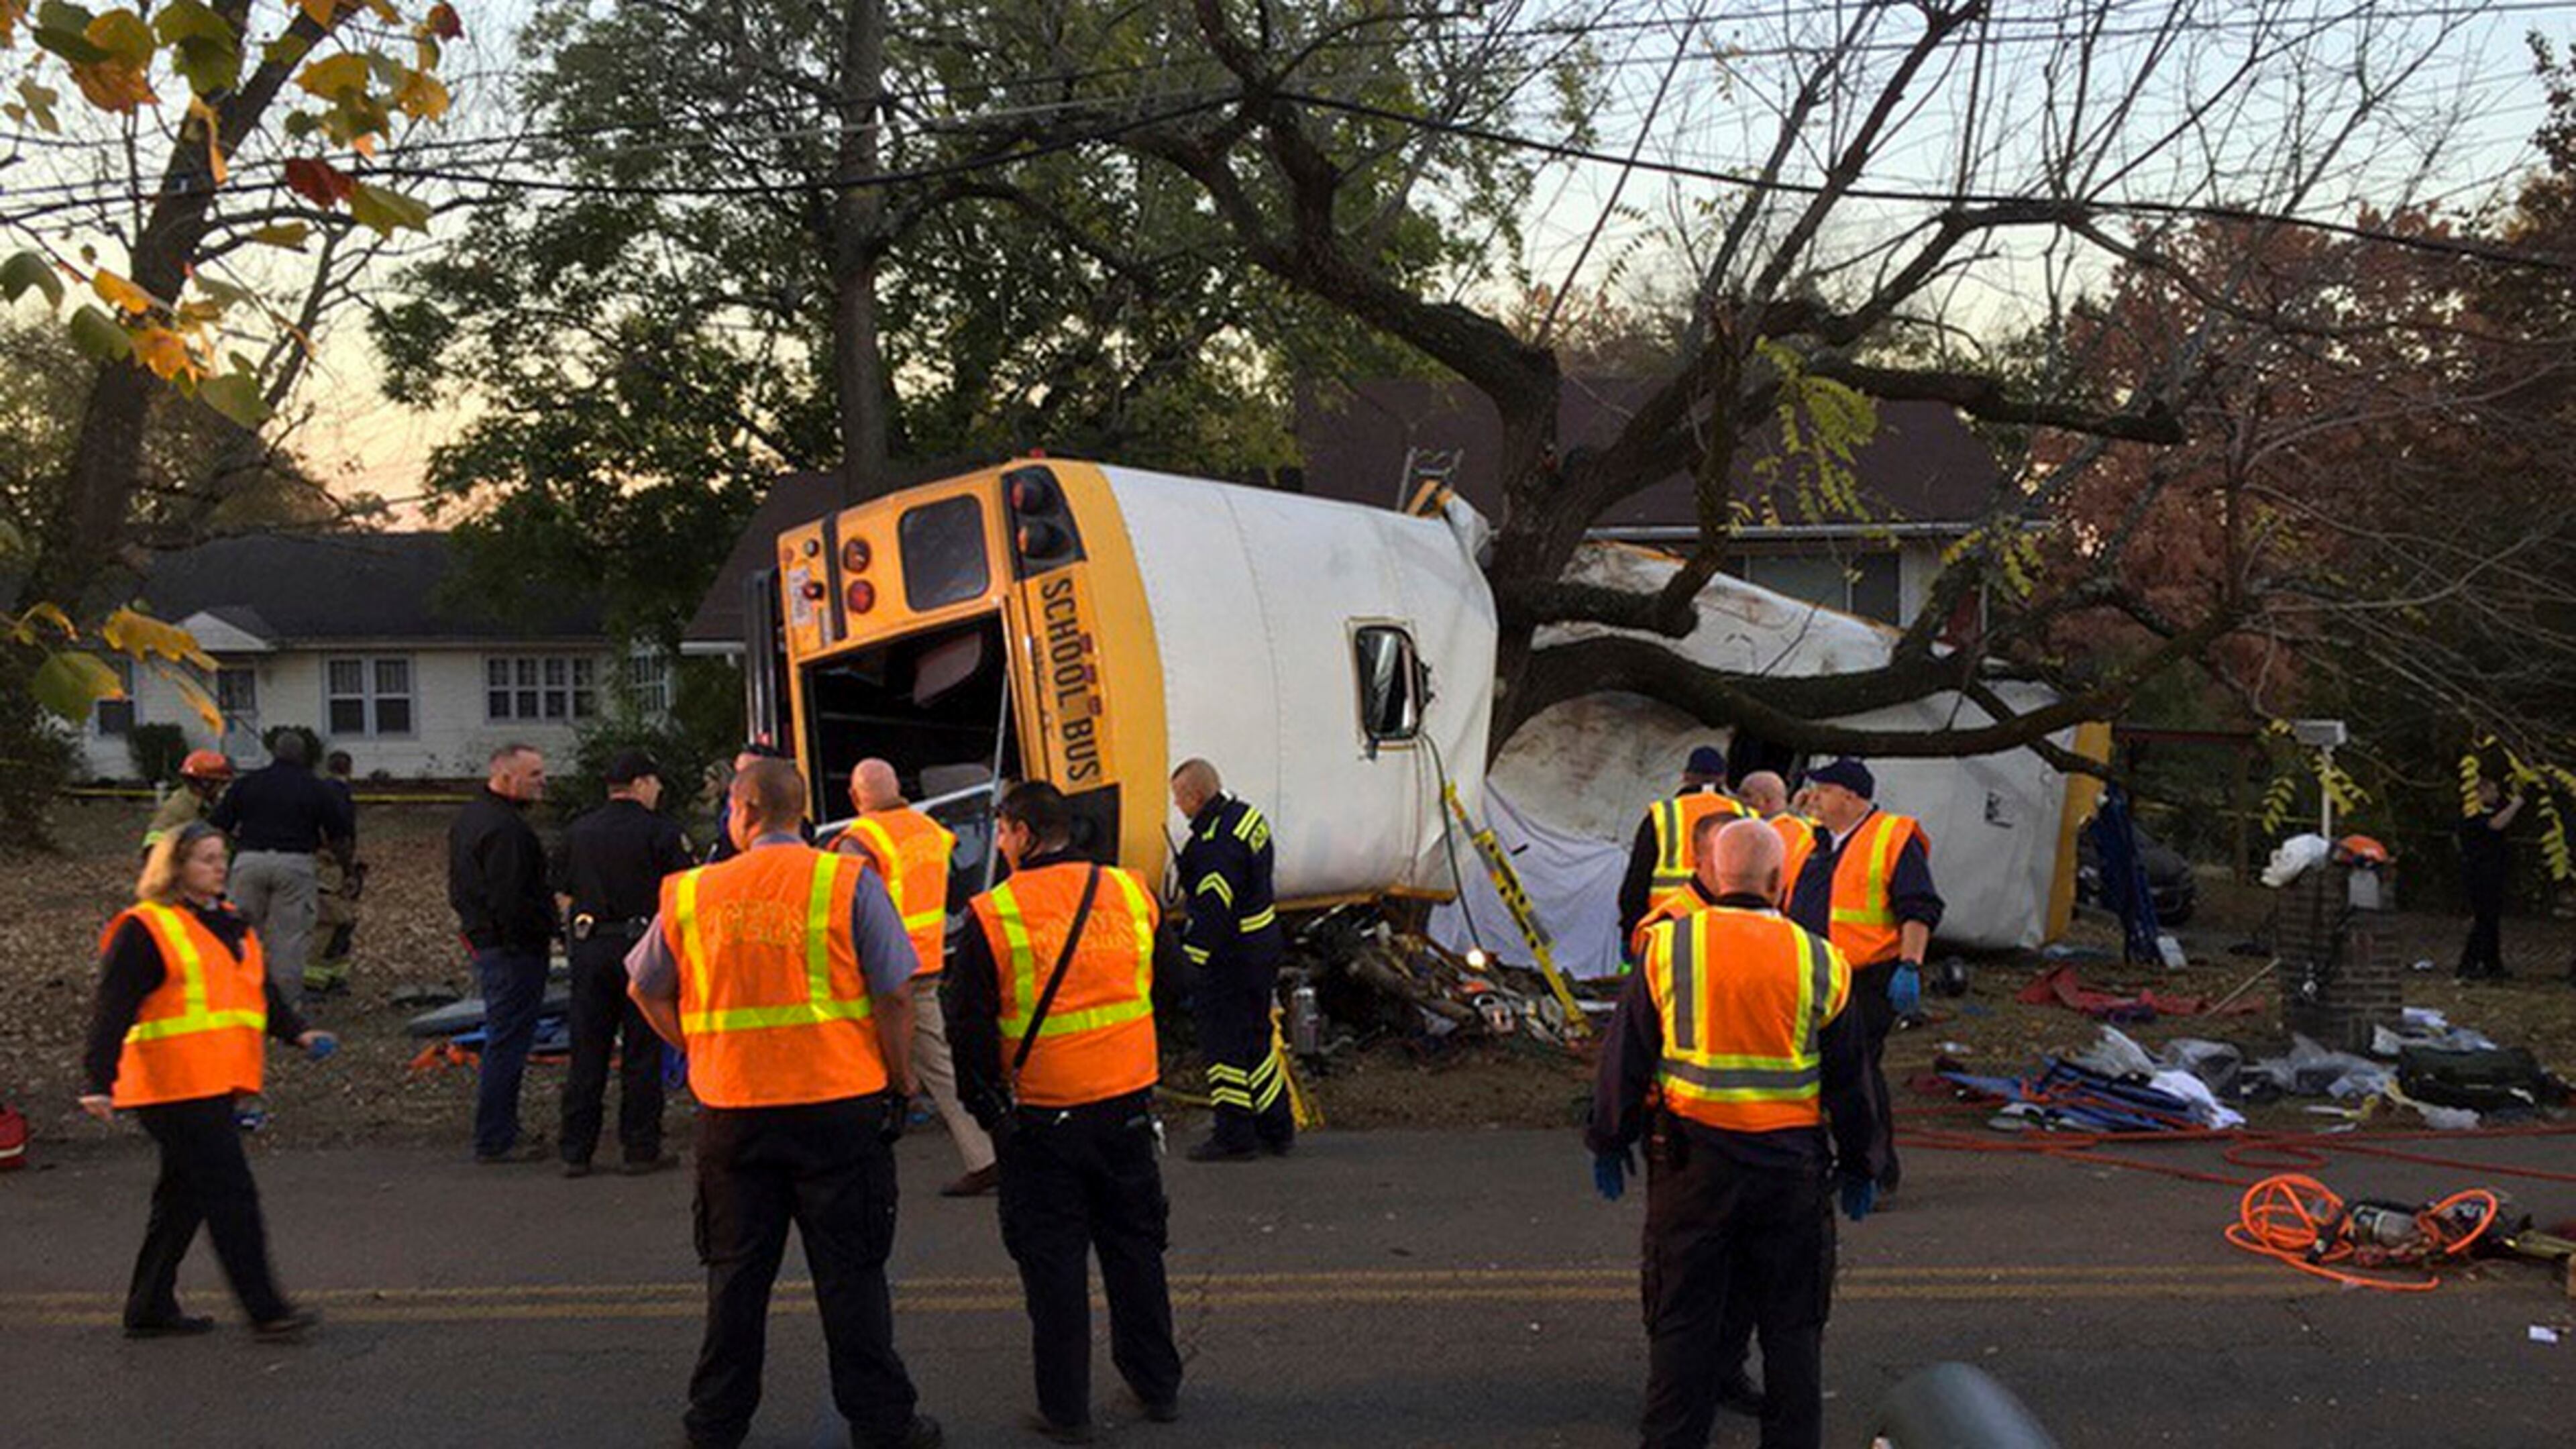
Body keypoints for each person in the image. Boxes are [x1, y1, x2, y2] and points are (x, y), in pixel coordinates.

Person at [625, 759, 939, 1449]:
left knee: (736, 1279)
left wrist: (699, 1047)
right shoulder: (846, 881)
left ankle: (715, 1424)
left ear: (743, 810)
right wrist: (900, 1079)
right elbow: (893, 993)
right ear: (800, 813)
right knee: (852, 1278)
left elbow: (645, 988)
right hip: (838, 1109)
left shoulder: (691, 892)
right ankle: (883, 1423)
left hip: (735, 1114)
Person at [1588, 817, 1880, 1449]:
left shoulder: (1668, 948)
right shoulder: (1822, 961)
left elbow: (1625, 1056)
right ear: (1780, 882)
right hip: (1790, 1171)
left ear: (1715, 875)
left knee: (1683, 1325)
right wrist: (1863, 1162)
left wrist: (1609, 1138)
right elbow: (1853, 1080)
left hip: (1693, 1165)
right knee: (1792, 1330)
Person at [949, 781, 1183, 1442]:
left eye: (1001, 831)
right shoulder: (1131, 892)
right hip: (1127, 1106)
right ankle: (1157, 1386)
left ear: (1023, 833)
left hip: (1042, 1119)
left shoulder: (994, 914)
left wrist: (985, 1108)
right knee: (1136, 1249)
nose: (999, 843)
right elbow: (1170, 985)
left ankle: (1067, 1410)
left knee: (1053, 1267)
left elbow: (967, 1026)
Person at [80, 820, 337, 1340]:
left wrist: (298, 1034)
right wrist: (98, 1080)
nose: (219, 867)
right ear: (174, 868)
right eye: (205, 859)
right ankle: (266, 1310)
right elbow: (112, 1010)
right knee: (230, 1193)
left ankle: (149, 1306)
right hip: (171, 1086)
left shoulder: (229, 921)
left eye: (222, 857)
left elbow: (256, 993)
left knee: (183, 1196)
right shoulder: (146, 928)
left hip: (213, 1083)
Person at [837, 757, 996, 1197]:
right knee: (938, 1061)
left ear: (855, 797)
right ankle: (986, 1153)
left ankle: (852, 1162)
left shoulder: (861, 841)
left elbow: (848, 906)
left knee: (858, 1059)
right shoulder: (930, 830)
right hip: (926, 960)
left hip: (879, 970)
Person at [1784, 759, 1939, 1196]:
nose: (1814, 799)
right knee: (1817, 1074)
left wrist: (1910, 965)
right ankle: (1828, 1163)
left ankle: (1873, 1170)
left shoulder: (1892, 837)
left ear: (1850, 797)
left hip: (1867, 976)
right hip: (1813, 976)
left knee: (1857, 1071)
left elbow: (1919, 907)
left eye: (1823, 791)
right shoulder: (1813, 842)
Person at [554, 748, 693, 1177]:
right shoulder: (662, 832)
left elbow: (560, 891)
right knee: (642, 1051)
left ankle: (576, 1151)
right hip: (643, 948)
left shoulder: (578, 832)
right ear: (639, 785)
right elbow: (682, 894)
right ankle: (640, 1148)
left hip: (590, 946)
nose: (659, 790)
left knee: (588, 1050)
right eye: (654, 783)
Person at [1169, 757, 1293, 1162]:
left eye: (1180, 799)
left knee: (1223, 1046)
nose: (1179, 808)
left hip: (1231, 957)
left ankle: (1234, 1132)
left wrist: (1189, 965)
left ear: (1196, 796)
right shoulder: (1245, 817)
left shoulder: (1214, 847)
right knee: (1256, 1040)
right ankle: (1276, 1126)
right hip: (1263, 946)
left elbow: (1211, 912)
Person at [447, 743, 555, 1165]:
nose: (542, 781)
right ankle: (496, 1136)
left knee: (503, 1038)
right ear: (506, 777)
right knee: (508, 1041)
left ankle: (500, 1130)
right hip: (512, 949)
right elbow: (511, 896)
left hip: (490, 942)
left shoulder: (472, 819)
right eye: (534, 774)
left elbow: (461, 887)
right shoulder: (507, 831)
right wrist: (535, 932)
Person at [208, 731, 354, 1009]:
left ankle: (234, 999)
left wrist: (229, 856)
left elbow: (218, 825)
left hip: (249, 861)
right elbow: (339, 836)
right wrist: (346, 870)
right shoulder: (316, 787)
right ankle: (284, 1008)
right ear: (305, 756)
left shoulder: (247, 783)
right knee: (289, 938)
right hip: (295, 864)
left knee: (241, 933)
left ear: (273, 753)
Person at [1618, 745, 1752, 949]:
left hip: (1665, 930)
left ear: (1686, 776)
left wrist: (1630, 929)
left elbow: (1637, 880)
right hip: (1729, 933)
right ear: (1723, 778)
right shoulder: (1748, 817)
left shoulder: (1664, 814)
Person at [306, 751, 366, 996]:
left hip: (320, 862)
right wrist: (349, 869)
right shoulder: (340, 795)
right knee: (334, 922)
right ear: (349, 768)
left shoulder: (317, 791)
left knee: (338, 923)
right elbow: (342, 835)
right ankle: (316, 980)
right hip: (331, 867)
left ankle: (331, 975)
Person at [2457, 777, 2525, 981]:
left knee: (2491, 920)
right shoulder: (2471, 815)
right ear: (2481, 793)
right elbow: (2496, 825)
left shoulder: (2489, 812)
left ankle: (2492, 965)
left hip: (2494, 872)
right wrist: (2516, 805)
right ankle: (2467, 965)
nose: (2496, 795)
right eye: (2492, 791)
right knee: (2483, 920)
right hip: (2479, 873)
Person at [704, 742, 811, 863]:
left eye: (750, 775)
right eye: (737, 775)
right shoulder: (722, 844)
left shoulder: (816, 849)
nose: (739, 784)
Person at [1737, 769, 1818, 905]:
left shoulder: (1766, 834)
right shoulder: (1805, 827)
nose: (1739, 801)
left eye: (1746, 795)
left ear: (1765, 801)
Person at [142, 749, 231, 855]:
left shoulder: (214, 804)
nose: (222, 787)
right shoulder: (178, 807)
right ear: (206, 783)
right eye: (220, 783)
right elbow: (156, 838)